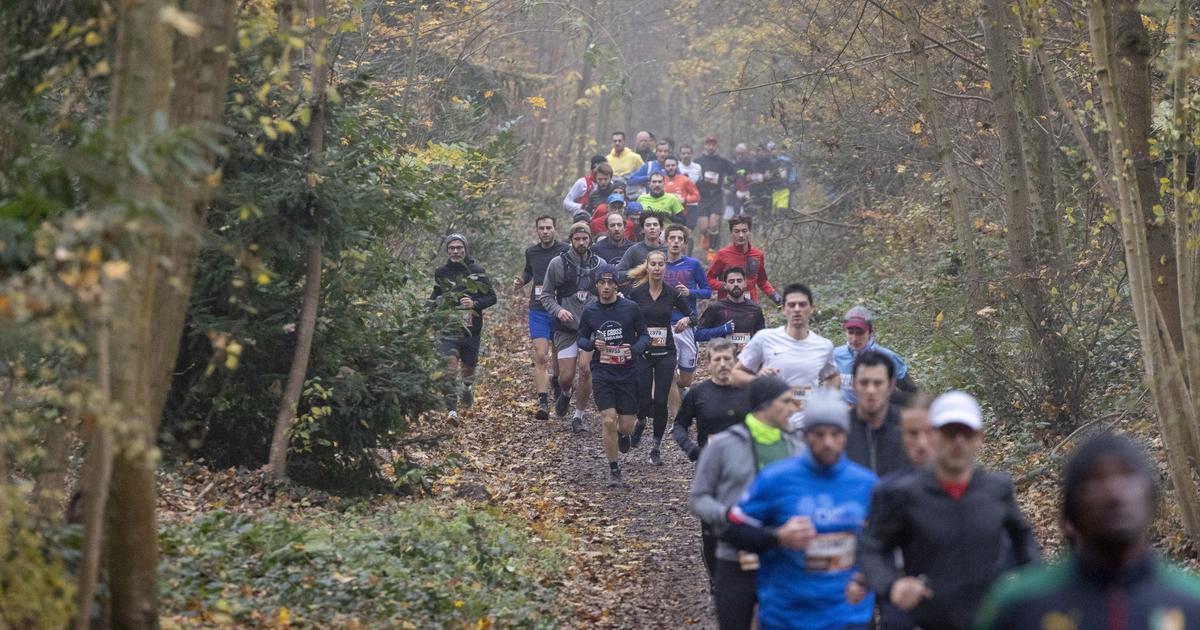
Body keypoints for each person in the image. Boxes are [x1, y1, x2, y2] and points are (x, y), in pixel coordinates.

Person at [977, 434, 1200, 630]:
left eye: (1128, 475)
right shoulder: (1019, 607)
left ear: (1151, 499)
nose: (1115, 494)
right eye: (1095, 479)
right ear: (1068, 513)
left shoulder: (1191, 602)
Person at [858, 391, 1040, 630]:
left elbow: (1023, 536)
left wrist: (1034, 583)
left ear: (979, 438)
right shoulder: (905, 495)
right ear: (933, 435)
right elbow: (872, 549)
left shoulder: (997, 489)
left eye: (966, 432)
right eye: (950, 432)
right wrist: (892, 586)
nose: (958, 441)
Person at [725, 388, 878, 630]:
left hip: (848, 616)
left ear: (845, 435)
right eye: (819, 434)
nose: (828, 442)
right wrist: (777, 537)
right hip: (788, 615)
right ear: (805, 435)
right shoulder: (776, 479)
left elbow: (886, 544)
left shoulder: (866, 483)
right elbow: (733, 531)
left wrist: (867, 578)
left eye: (835, 434)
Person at [688, 376, 803, 627]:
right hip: (736, 556)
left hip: (785, 558)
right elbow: (698, 498)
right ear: (765, 405)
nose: (793, 408)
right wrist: (726, 515)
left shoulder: (797, 446)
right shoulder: (724, 445)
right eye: (785, 402)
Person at [845, 394, 934, 630]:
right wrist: (880, 582)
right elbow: (872, 546)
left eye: (930, 432)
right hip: (899, 591)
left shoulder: (981, 487)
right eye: (913, 434)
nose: (922, 443)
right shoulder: (888, 490)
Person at [576, 263, 650, 485]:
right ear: (596, 286)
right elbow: (580, 338)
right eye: (602, 283)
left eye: (610, 283)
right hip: (603, 373)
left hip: (628, 373)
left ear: (617, 286)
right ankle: (614, 470)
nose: (606, 287)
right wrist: (592, 344)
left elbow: (645, 336)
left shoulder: (631, 308)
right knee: (608, 420)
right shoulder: (590, 311)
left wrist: (633, 349)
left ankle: (623, 434)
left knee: (626, 425)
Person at [732, 283, 836, 429]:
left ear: (812, 308)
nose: (797, 309)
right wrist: (758, 380)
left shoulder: (823, 346)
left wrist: (825, 401)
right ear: (784, 309)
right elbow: (735, 375)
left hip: (807, 427)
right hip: (771, 425)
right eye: (792, 305)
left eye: (802, 304)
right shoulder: (765, 338)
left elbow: (833, 376)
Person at [626, 250, 694, 465]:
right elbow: (624, 315)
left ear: (665, 267)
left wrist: (686, 320)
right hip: (644, 352)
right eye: (653, 264)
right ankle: (640, 421)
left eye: (660, 264)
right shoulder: (636, 293)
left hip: (666, 352)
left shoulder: (672, 293)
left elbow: (693, 315)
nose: (656, 268)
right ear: (647, 267)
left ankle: (655, 446)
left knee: (660, 401)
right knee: (643, 400)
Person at [538, 223, 601, 432]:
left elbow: (608, 291)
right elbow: (546, 295)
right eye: (577, 239)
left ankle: (578, 417)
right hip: (566, 327)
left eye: (585, 239)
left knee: (585, 369)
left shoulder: (599, 264)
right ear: (571, 240)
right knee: (565, 377)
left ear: (590, 239)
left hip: (590, 329)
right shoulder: (557, 263)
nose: (581, 243)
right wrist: (558, 311)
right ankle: (566, 393)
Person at [429, 233, 497, 421]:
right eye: (452, 248)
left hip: (471, 330)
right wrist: (429, 309)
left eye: (459, 248)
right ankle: (451, 411)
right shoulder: (441, 272)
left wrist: (474, 303)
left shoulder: (477, 270)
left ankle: (467, 387)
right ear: (447, 250)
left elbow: (492, 297)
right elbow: (436, 293)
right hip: (448, 328)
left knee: (468, 370)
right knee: (449, 367)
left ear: (465, 249)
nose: (456, 251)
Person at [514, 216, 569, 420]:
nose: (545, 231)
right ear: (537, 230)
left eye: (548, 228)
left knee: (558, 359)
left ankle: (558, 384)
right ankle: (543, 402)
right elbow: (529, 272)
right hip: (538, 309)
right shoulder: (531, 252)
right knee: (540, 356)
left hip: (560, 309)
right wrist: (522, 280)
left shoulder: (565, 250)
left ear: (555, 229)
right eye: (541, 228)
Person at [661, 224, 710, 394]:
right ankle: (671, 404)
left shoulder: (693, 264)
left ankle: (678, 391)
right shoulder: (658, 264)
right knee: (667, 373)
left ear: (684, 243)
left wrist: (691, 292)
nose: (676, 242)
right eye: (672, 238)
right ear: (666, 241)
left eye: (680, 239)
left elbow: (707, 291)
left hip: (688, 325)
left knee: (686, 379)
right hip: (665, 325)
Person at [834, 306, 915, 405]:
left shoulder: (888, 357)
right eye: (850, 333)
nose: (854, 338)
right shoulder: (836, 355)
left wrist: (887, 398)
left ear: (871, 332)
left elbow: (912, 393)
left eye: (860, 333)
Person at [845, 351, 908, 477]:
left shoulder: (907, 428)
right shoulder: (840, 429)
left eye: (878, 383)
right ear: (854, 385)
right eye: (864, 383)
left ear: (891, 385)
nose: (871, 390)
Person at [706, 216, 781, 305]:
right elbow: (709, 279)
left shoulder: (758, 254)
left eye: (744, 231)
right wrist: (725, 285)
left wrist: (773, 295)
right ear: (731, 233)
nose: (741, 235)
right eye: (737, 231)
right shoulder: (722, 254)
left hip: (751, 305)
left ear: (749, 232)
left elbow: (762, 280)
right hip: (727, 305)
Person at [695, 267, 766, 354]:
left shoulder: (755, 309)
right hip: (722, 358)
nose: (736, 284)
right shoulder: (715, 307)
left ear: (745, 283)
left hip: (747, 359)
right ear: (725, 285)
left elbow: (762, 337)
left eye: (739, 281)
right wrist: (722, 329)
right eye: (731, 281)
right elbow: (698, 334)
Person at [695, 136, 736, 255]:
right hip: (702, 197)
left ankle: (713, 250)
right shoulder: (698, 161)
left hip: (716, 196)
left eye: (713, 145)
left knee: (713, 225)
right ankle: (706, 238)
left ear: (716, 146)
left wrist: (728, 185)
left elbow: (733, 174)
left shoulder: (722, 161)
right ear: (705, 146)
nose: (711, 147)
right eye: (709, 144)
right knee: (704, 228)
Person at [563, 155, 611, 220]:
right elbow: (566, 202)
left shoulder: (612, 184)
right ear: (592, 170)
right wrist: (582, 207)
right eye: (597, 172)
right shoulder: (582, 183)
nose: (600, 174)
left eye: (604, 172)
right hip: (583, 219)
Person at [766, 141, 795, 213]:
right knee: (774, 210)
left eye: (774, 149)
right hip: (773, 189)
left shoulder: (784, 159)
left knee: (783, 208)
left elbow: (791, 171)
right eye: (771, 150)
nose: (773, 151)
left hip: (785, 187)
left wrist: (791, 181)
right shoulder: (767, 161)